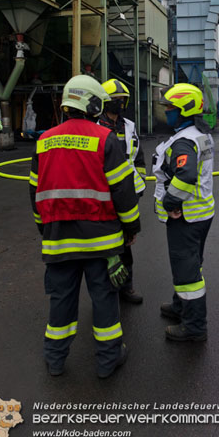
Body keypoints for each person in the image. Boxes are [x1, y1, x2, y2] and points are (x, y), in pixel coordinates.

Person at [29, 75, 140, 377]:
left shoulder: (44, 140)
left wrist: (44, 228)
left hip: (58, 240)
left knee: (61, 301)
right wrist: (131, 228)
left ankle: (54, 359)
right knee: (104, 299)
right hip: (101, 241)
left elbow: (35, 192)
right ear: (93, 104)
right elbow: (123, 191)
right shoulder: (106, 140)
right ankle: (108, 361)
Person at [153, 83, 214, 342]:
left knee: (187, 272)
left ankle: (194, 327)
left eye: (170, 108)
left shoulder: (184, 141)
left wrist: (171, 204)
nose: (166, 112)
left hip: (185, 216)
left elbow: (186, 175)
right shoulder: (199, 133)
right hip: (200, 214)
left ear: (184, 109)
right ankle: (180, 307)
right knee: (189, 264)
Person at [99, 78, 146, 304]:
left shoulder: (129, 126)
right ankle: (105, 289)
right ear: (105, 102)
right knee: (105, 244)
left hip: (127, 192)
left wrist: (140, 179)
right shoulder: (96, 127)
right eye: (116, 100)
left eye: (122, 100)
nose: (120, 104)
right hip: (104, 193)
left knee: (127, 242)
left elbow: (139, 156)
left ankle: (126, 287)